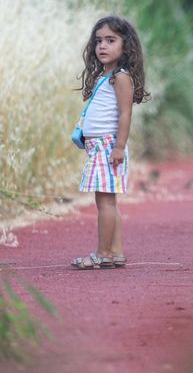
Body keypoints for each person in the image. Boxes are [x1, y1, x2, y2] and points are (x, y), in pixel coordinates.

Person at [71, 16, 150, 270]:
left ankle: (102, 253)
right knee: (108, 202)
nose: (102, 46)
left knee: (104, 203)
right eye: (98, 41)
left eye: (110, 40)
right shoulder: (105, 76)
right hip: (99, 147)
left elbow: (125, 114)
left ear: (126, 46)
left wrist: (118, 146)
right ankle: (115, 252)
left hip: (108, 147)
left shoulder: (120, 77)